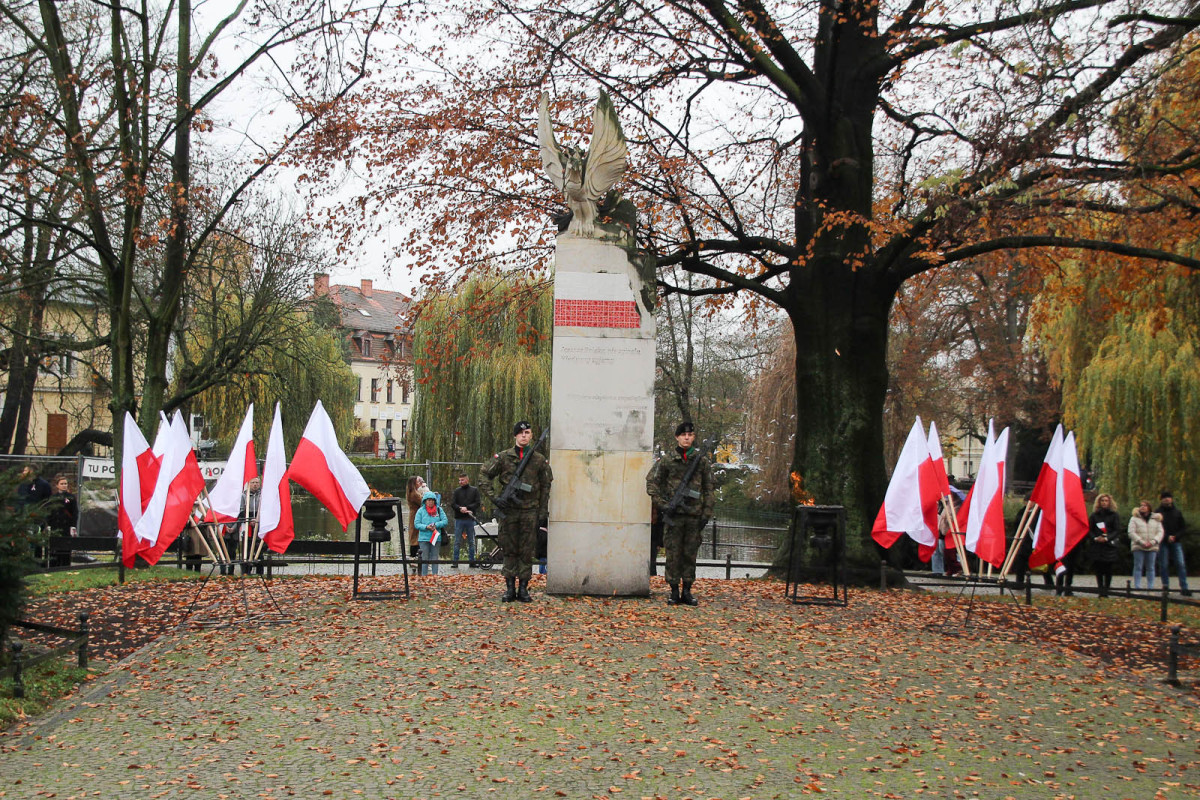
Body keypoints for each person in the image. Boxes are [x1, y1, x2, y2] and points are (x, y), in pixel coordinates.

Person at [480, 421, 553, 603]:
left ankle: (523, 589)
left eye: (527, 432)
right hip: (509, 511)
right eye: (520, 433)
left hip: (530, 512)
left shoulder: (538, 459)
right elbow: (483, 475)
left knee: (526, 551)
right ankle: (510, 588)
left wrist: (542, 512)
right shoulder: (504, 457)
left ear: (531, 436)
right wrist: (495, 498)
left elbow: (546, 486)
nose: (524, 436)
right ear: (515, 436)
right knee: (509, 549)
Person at [645, 421, 714, 607]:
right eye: (683, 435)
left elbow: (709, 489)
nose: (687, 438)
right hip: (673, 517)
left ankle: (687, 591)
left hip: (694, 516)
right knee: (673, 555)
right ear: (677, 437)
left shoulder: (701, 461)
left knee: (690, 555)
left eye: (690, 435)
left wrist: (706, 514)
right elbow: (651, 483)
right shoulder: (667, 460)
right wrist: (663, 505)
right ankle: (674, 591)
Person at [1155, 491, 1191, 596]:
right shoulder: (1158, 513)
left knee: (1180, 564)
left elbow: (1183, 527)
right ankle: (1165, 586)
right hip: (1163, 541)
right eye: (1164, 497)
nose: (1167, 499)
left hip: (1176, 541)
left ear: (1172, 499)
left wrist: (1176, 536)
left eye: (1168, 497)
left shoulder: (1177, 512)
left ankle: (1184, 587)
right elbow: (1156, 528)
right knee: (1164, 565)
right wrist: (1166, 537)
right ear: (1161, 500)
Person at [1087, 493, 1121, 598]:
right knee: (1098, 569)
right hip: (1097, 545)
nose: (1104, 503)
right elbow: (1089, 529)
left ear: (1110, 502)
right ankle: (1100, 590)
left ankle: (1107, 590)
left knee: (1108, 569)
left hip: (1109, 545)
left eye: (1106, 501)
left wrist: (1107, 538)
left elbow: (1117, 530)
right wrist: (1095, 538)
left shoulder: (1114, 515)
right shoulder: (1094, 515)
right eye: (1102, 501)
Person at [1128, 500, 1163, 590]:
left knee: (1150, 567)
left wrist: (1153, 541)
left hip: (1152, 547)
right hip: (1138, 546)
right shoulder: (1134, 518)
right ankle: (1137, 586)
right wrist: (1141, 542)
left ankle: (1150, 587)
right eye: (1141, 505)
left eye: (1145, 505)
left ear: (1149, 508)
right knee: (1138, 566)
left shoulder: (1156, 519)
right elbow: (1131, 532)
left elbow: (1160, 532)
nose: (1142, 507)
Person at [45, 474, 79, 567]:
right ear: (57, 485)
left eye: (66, 483)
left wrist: (73, 526)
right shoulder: (53, 498)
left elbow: (75, 512)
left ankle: (65, 565)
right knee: (54, 547)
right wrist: (48, 524)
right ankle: (53, 565)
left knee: (66, 547)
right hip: (55, 525)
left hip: (66, 526)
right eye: (62, 483)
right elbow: (49, 512)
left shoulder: (71, 497)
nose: (64, 485)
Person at [450, 472, 482, 568]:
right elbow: (453, 503)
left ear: (467, 480)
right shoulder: (457, 491)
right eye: (459, 480)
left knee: (471, 541)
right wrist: (460, 508)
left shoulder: (474, 490)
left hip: (470, 518)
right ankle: (455, 561)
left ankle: (472, 561)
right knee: (457, 541)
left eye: (462, 480)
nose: (460, 482)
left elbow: (477, 503)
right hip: (459, 518)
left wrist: (467, 508)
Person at [414, 490, 447, 576]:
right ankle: (424, 576)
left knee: (435, 557)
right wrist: (426, 527)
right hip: (424, 538)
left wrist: (436, 525)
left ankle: (435, 575)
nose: (430, 502)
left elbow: (445, 521)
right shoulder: (420, 511)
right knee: (424, 558)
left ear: (435, 501)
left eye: (432, 500)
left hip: (436, 537)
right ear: (425, 501)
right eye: (428, 500)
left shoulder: (439, 510)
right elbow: (416, 524)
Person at [405, 476, 428, 559]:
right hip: (416, 515)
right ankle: (414, 556)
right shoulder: (414, 494)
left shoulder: (414, 492)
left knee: (416, 535)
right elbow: (423, 501)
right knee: (415, 536)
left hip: (416, 514)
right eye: (418, 482)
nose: (420, 483)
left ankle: (415, 556)